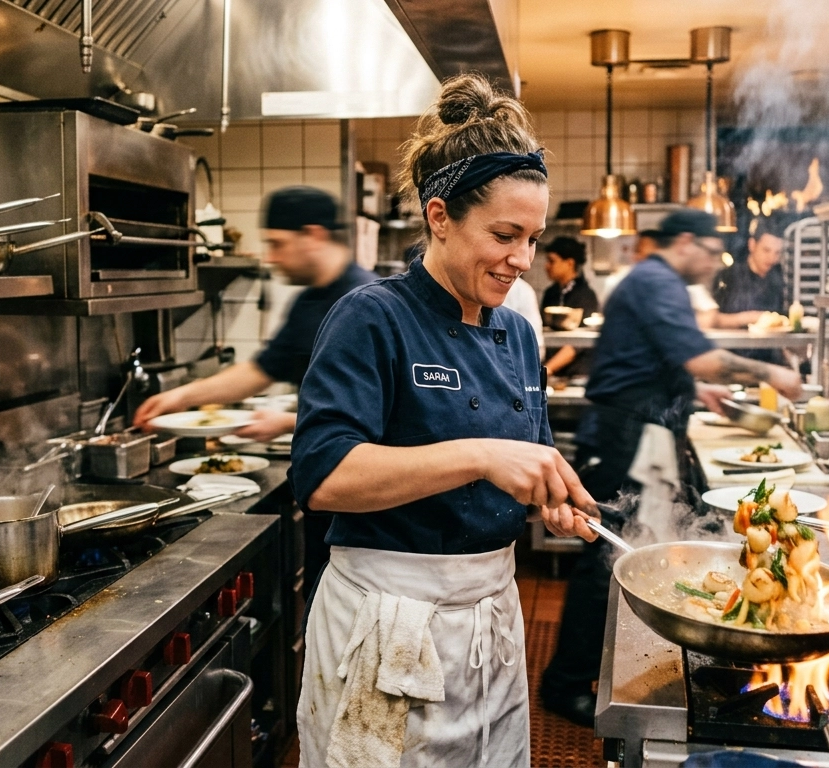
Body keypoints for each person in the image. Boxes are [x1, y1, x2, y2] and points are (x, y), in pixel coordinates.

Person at [290, 74, 598, 767]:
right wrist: (482, 456)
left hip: (491, 611)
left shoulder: (518, 333)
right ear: (439, 217)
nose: (523, 260)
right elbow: (321, 475)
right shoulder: (373, 317)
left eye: (534, 237)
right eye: (504, 235)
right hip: (388, 617)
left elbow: (525, 454)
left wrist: (550, 495)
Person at [539, 209, 804, 728]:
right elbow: (701, 357)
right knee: (603, 560)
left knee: (619, 553)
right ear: (686, 242)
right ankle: (564, 683)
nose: (712, 264)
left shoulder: (653, 282)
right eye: (710, 252)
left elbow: (667, 362)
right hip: (623, 437)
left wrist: (694, 390)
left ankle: (582, 673)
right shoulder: (658, 282)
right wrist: (773, 370)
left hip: (638, 431)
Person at [134, 186, 375, 594]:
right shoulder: (311, 301)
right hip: (325, 498)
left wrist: (284, 421)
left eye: (278, 244)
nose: (271, 257)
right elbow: (262, 370)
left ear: (313, 235)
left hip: (359, 511)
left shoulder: (363, 303)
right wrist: (180, 397)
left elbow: (379, 417)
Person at [711, 220, 789, 361]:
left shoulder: (777, 281)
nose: (772, 258)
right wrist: (749, 317)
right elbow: (712, 320)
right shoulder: (728, 276)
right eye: (766, 250)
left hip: (768, 361)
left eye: (777, 253)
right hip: (731, 359)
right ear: (752, 245)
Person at [540, 236, 600, 377]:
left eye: (552, 261)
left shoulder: (585, 295)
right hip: (553, 373)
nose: (546, 266)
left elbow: (576, 345)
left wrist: (547, 369)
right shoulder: (551, 293)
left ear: (569, 263)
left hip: (577, 373)